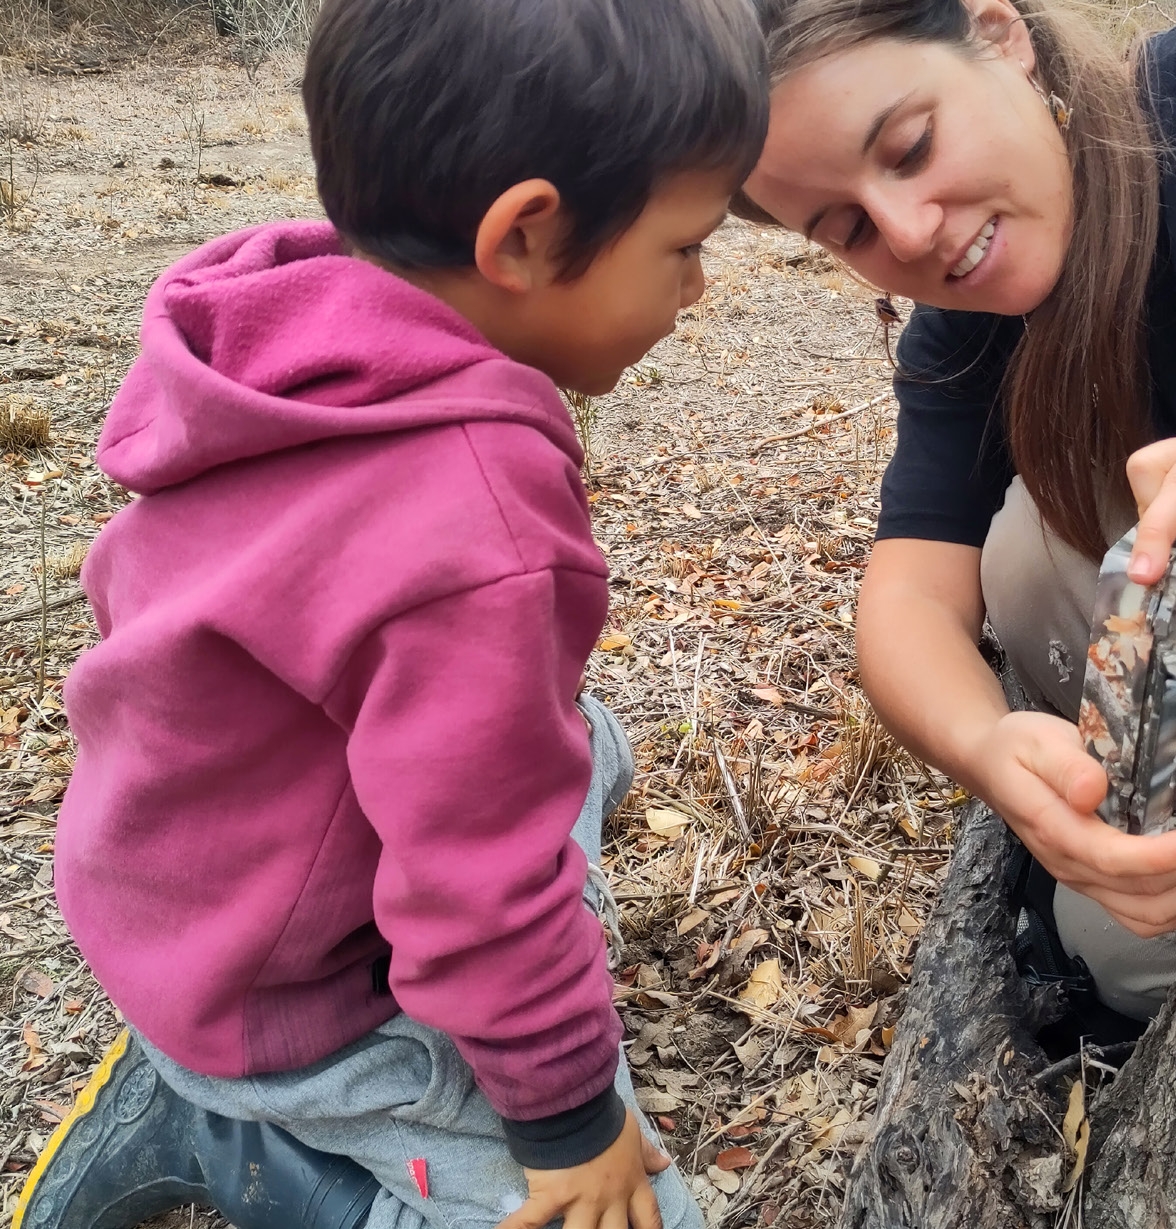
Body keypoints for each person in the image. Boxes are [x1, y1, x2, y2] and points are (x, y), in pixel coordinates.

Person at [15, 2, 766, 1228]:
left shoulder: (281, 342)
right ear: (524, 235)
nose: (699, 283)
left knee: (569, 740)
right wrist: (571, 1120)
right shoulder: (470, 510)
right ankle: (268, 1149)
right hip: (300, 1000)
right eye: (683, 244)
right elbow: (475, 881)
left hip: (165, 891)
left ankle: (196, 1065)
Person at [734, 0, 1176, 1024]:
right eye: (842, 226)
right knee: (1121, 949)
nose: (908, 230)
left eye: (909, 146)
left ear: (998, 35)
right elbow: (905, 603)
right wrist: (991, 753)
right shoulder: (970, 331)